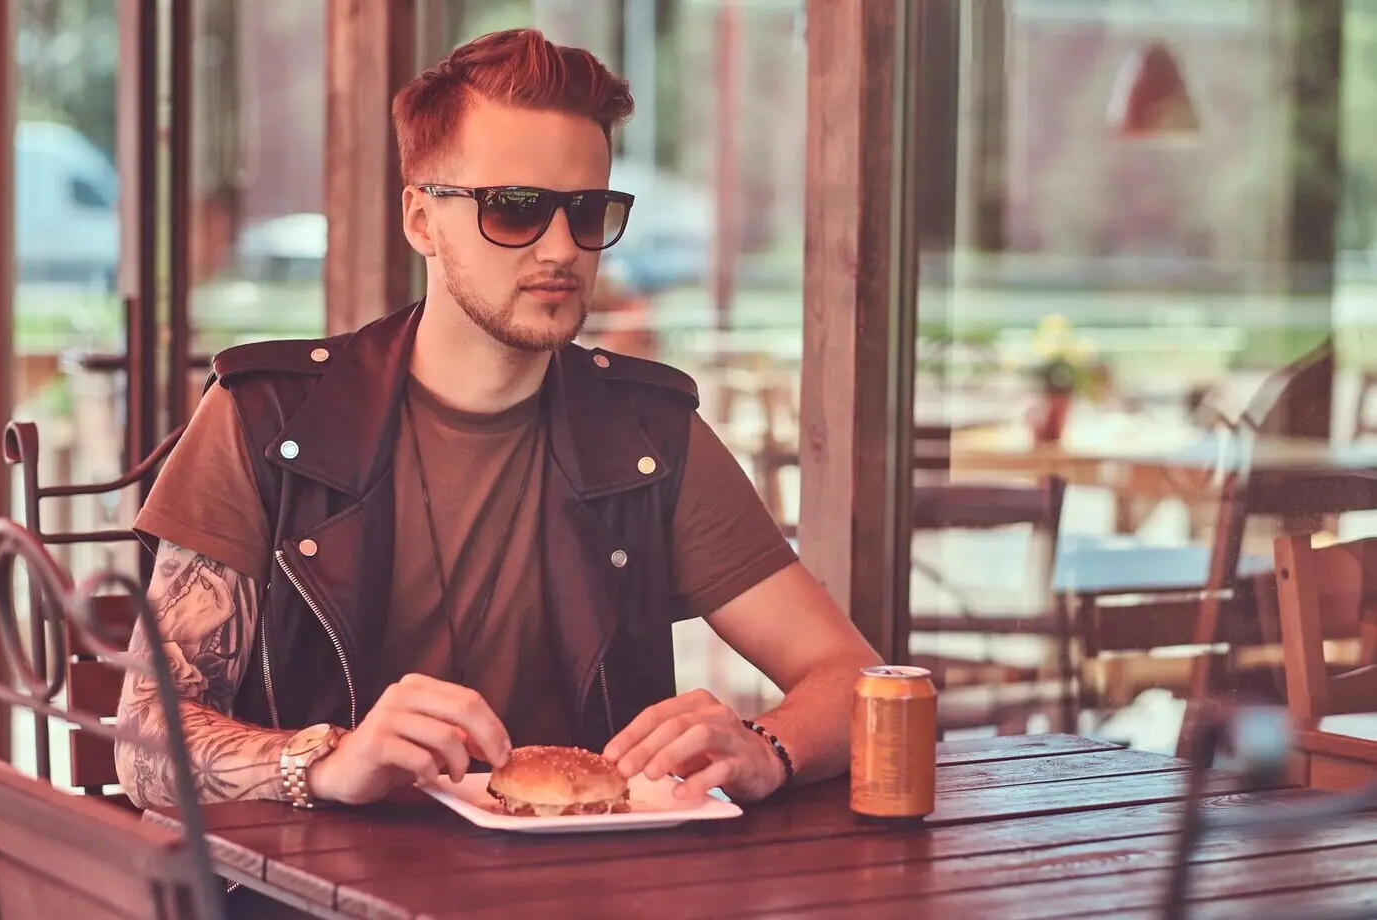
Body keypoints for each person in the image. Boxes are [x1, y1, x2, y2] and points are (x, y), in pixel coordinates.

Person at [114, 28, 880, 811]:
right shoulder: (267, 418)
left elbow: (858, 683)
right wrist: (325, 763)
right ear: (421, 220)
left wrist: (769, 750)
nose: (561, 248)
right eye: (514, 210)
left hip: (589, 887)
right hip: (310, 891)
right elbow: (144, 742)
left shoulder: (651, 436)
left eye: (588, 212)